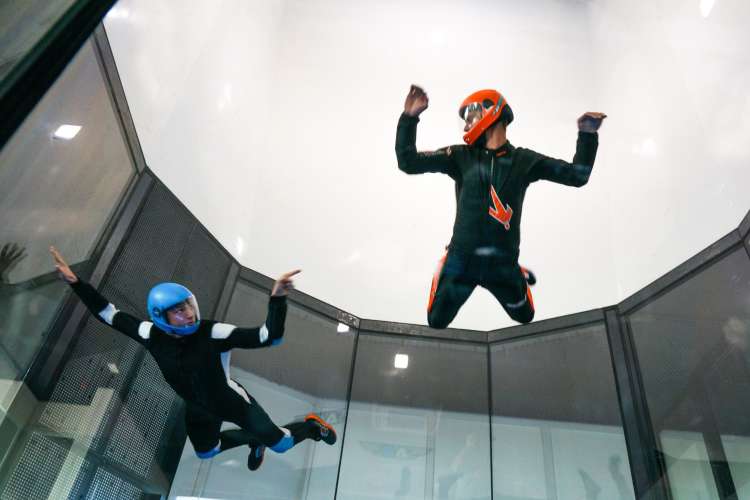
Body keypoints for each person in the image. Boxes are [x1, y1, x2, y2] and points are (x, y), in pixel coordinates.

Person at [49, 246, 336, 471]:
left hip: (233, 402)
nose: (188, 313)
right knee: (206, 452)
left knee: (283, 444)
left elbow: (268, 336)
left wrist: (277, 299)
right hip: (198, 409)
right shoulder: (151, 333)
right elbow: (108, 314)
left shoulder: (214, 332)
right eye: (178, 310)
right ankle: (254, 439)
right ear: (162, 317)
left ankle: (311, 427)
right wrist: (76, 283)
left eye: (188, 305)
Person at [396, 85, 606, 328]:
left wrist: (587, 135)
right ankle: (446, 263)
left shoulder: (524, 160)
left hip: (503, 263)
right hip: (462, 259)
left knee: (525, 316)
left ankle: (516, 272)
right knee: (436, 320)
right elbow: (408, 162)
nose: (466, 126)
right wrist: (409, 118)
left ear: (490, 111)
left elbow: (577, 176)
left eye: (470, 118)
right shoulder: (459, 156)